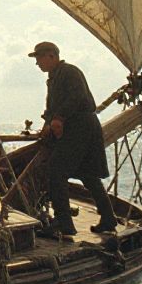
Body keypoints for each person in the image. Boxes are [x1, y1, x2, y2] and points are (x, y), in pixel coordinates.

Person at [30, 41, 118, 237]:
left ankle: (64, 223)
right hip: (80, 127)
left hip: (79, 126)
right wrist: (48, 122)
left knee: (56, 171)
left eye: (39, 58)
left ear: (52, 56)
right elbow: (52, 107)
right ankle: (108, 218)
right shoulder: (54, 77)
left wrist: (59, 118)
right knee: (88, 175)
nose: (37, 63)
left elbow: (76, 98)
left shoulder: (70, 72)